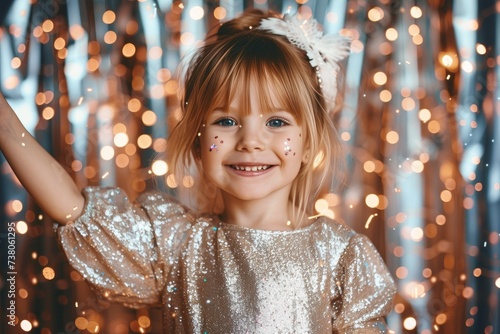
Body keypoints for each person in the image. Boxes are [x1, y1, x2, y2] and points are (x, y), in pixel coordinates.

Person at [0, 9, 396, 333]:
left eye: (276, 122)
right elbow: (72, 209)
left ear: (309, 142)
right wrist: (7, 128)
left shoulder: (342, 257)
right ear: (195, 138)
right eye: (226, 121)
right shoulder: (177, 245)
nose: (250, 141)